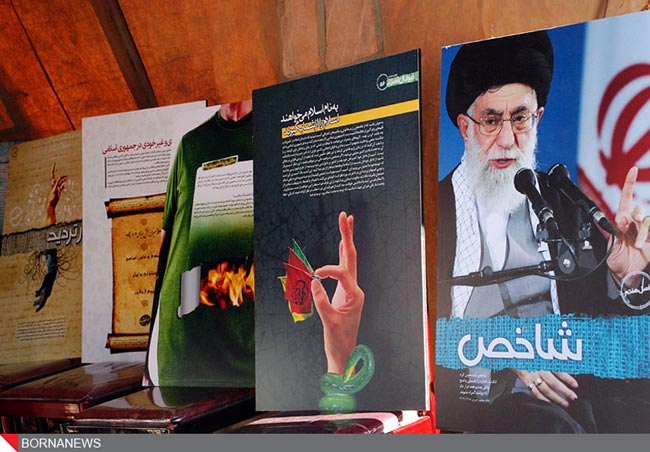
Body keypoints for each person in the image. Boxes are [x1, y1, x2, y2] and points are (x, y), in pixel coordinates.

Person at [436, 30, 650, 432]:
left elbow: (613, 336)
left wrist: (628, 275)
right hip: (496, 405)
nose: (507, 140)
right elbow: (421, 344)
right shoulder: (438, 214)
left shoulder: (564, 202)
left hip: (580, 394)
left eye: (520, 119)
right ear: (464, 127)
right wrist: (504, 351)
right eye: (491, 121)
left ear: (538, 118)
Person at [145, 100, 255, 387]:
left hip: (248, 342)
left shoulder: (278, 131)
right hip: (184, 340)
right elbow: (165, 243)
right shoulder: (190, 144)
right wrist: (147, 355)